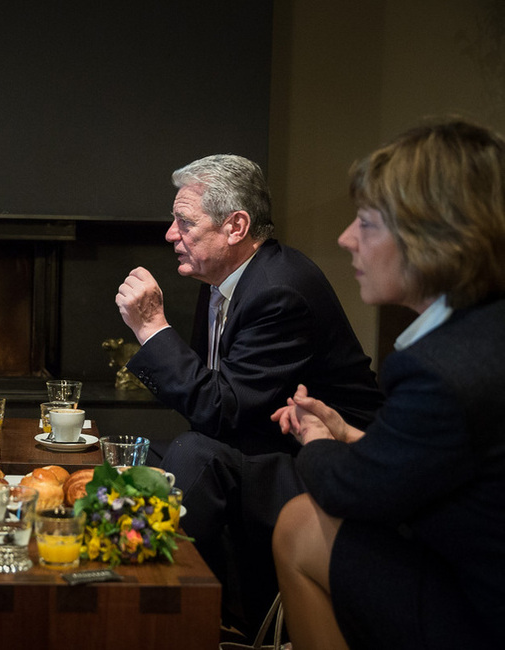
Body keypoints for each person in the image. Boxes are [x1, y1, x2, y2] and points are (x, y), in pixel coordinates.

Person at [115, 154, 383, 633]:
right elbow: (214, 403)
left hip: (326, 462)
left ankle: (157, 618)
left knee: (195, 453)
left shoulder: (279, 289)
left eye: (184, 222)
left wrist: (153, 328)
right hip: (259, 443)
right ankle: (154, 600)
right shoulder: (220, 277)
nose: (170, 234)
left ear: (235, 226)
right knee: (133, 455)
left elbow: (220, 409)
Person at [272, 119, 505, 648]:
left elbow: (348, 490)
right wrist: (357, 438)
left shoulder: (443, 367)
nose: (345, 238)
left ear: (436, 237)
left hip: (483, 615)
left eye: (367, 222)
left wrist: (317, 441)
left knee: (297, 523)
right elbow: (449, 463)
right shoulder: (483, 330)